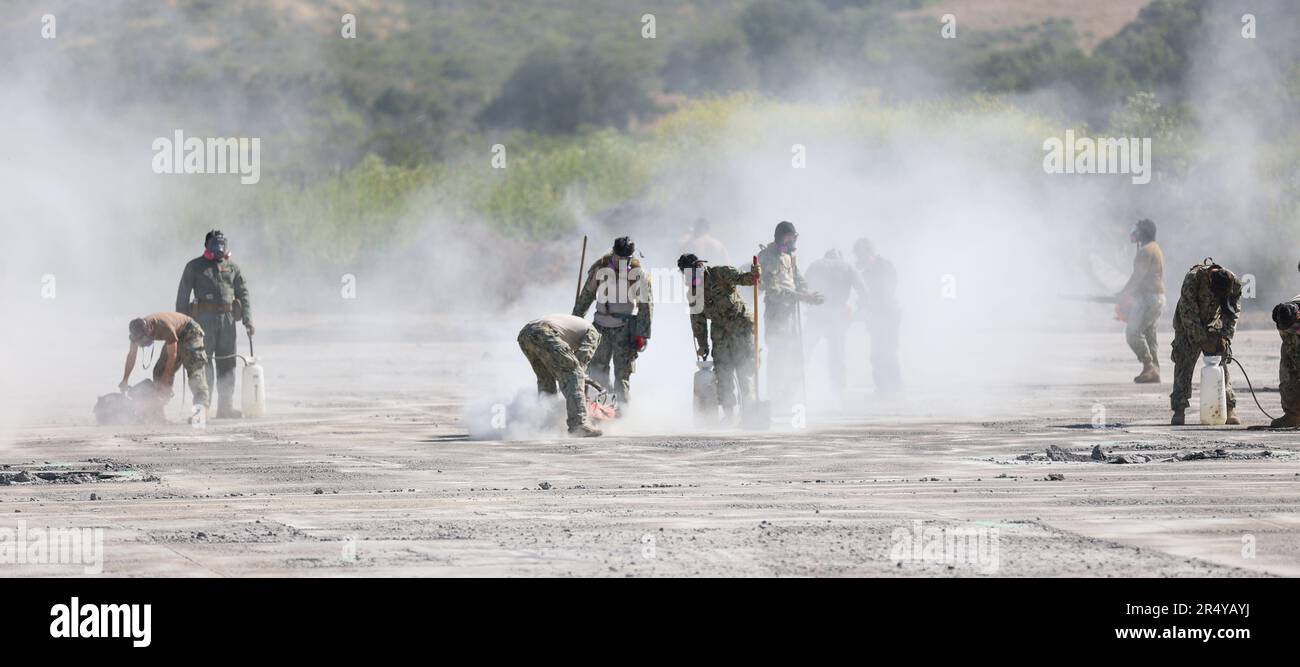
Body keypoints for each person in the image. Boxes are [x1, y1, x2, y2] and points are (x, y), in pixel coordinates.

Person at [176, 230, 254, 418]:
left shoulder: (232, 267)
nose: (219, 248)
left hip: (227, 321)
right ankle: (202, 410)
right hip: (203, 321)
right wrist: (180, 324)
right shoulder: (194, 267)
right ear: (207, 245)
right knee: (202, 365)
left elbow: (243, 294)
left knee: (227, 364)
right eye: (215, 244)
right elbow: (183, 296)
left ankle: (225, 408)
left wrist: (248, 320)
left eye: (222, 244)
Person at [679, 253, 761, 424]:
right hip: (720, 332)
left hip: (740, 327)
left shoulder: (720, 273)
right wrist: (702, 346)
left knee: (745, 371)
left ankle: (752, 413)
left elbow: (744, 279)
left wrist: (754, 274)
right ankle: (729, 415)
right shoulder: (693, 293)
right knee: (723, 373)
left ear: (700, 265)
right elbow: (698, 322)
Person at [572, 236, 653, 404]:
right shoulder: (600, 270)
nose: (623, 260)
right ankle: (604, 407)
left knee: (622, 375)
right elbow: (585, 297)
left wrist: (642, 334)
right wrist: (575, 322)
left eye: (627, 258)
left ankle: (622, 413)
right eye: (620, 257)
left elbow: (646, 306)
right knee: (597, 371)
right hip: (600, 328)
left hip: (625, 330)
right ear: (614, 253)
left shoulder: (638, 275)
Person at [757, 221, 822, 414]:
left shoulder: (789, 256)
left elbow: (797, 279)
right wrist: (802, 297)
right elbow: (774, 291)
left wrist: (807, 293)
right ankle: (775, 399)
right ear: (781, 237)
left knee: (794, 356)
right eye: (790, 237)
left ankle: (789, 398)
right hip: (777, 315)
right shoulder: (767, 257)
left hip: (792, 315)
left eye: (795, 237)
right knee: (778, 356)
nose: (794, 241)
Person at [1169, 260, 1242, 425]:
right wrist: (1201, 340)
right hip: (1187, 325)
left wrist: (1226, 337)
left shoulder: (1235, 284)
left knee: (1221, 361)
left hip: (1213, 323)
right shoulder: (1193, 279)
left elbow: (1233, 313)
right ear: (1210, 281)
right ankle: (1179, 409)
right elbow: (1188, 313)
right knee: (1183, 362)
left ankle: (1229, 407)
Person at [517, 314, 603, 437]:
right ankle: (579, 425)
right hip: (544, 332)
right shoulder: (594, 333)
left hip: (525, 334)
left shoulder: (577, 327)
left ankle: (547, 422)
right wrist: (582, 382)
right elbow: (580, 361)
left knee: (546, 379)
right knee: (575, 373)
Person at [120, 313, 210, 424]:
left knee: (195, 373)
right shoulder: (136, 332)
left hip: (190, 333)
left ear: (150, 328)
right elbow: (132, 355)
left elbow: (172, 356)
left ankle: (201, 414)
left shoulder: (165, 327)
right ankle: (158, 413)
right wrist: (125, 379)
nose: (143, 343)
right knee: (159, 371)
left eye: (144, 339)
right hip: (175, 337)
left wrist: (163, 384)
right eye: (140, 341)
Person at [804, 248, 867, 401]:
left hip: (816, 314)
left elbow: (802, 285)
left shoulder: (815, 265)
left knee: (804, 351)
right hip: (837, 315)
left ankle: (796, 387)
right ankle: (838, 391)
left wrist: (808, 305)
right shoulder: (848, 267)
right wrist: (859, 311)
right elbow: (863, 291)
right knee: (837, 355)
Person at [1116, 219, 1165, 383]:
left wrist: (1123, 294)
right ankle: (1154, 370)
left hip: (1148, 299)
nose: (1134, 233)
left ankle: (1149, 366)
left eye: (1136, 231)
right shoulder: (1155, 248)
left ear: (1142, 233)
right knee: (1149, 334)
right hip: (1156, 298)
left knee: (1133, 333)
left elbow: (1137, 277)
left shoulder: (1145, 251)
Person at [852, 238, 902, 392]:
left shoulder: (881, 267)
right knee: (881, 353)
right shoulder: (872, 268)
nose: (857, 259)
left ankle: (892, 389)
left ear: (867, 253)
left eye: (859, 255)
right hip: (881, 315)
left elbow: (883, 291)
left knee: (885, 352)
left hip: (886, 314)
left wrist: (868, 307)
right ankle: (886, 389)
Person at [1269, 298, 1300, 427]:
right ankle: (1293, 415)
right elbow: (1291, 348)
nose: (1293, 331)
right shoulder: (1281, 316)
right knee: (1287, 369)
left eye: (1295, 328)